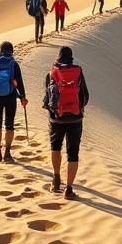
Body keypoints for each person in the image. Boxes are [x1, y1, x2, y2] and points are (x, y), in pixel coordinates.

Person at [43, 45, 89, 200]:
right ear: (71, 58)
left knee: (55, 147)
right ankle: (69, 190)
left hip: (56, 118)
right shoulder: (78, 72)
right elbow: (85, 96)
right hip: (75, 118)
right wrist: (77, 108)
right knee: (73, 153)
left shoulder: (52, 73)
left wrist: (52, 111)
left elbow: (47, 98)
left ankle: (56, 180)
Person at [0, 41, 27, 163]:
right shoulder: (13, 64)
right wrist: (22, 97)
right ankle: (7, 153)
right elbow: (19, 83)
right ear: (11, 51)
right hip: (10, 97)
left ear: (0, 50)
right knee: (9, 125)